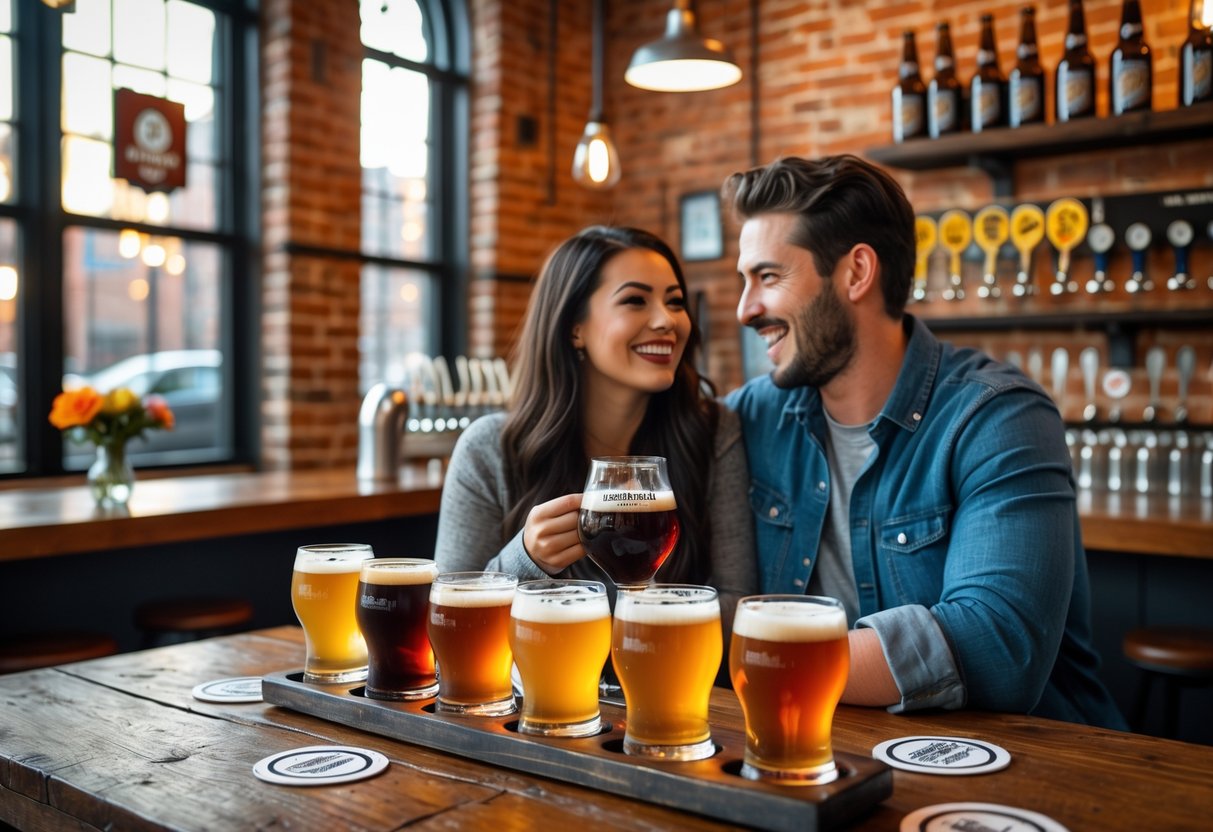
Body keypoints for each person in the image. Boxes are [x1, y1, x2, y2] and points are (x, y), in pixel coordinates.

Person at [722, 154, 1125, 729]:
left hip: (1033, 771)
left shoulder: (996, 416)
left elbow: (998, 646)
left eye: (767, 277)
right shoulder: (753, 416)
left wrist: (765, 657)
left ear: (857, 272)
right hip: (830, 752)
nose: (745, 309)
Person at [434, 226, 757, 652]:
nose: (666, 321)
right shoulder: (488, 450)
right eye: (635, 300)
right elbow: (449, 629)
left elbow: (740, 608)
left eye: (675, 302)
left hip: (672, 695)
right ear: (574, 329)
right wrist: (527, 560)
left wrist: (619, 606)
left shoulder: (714, 432)